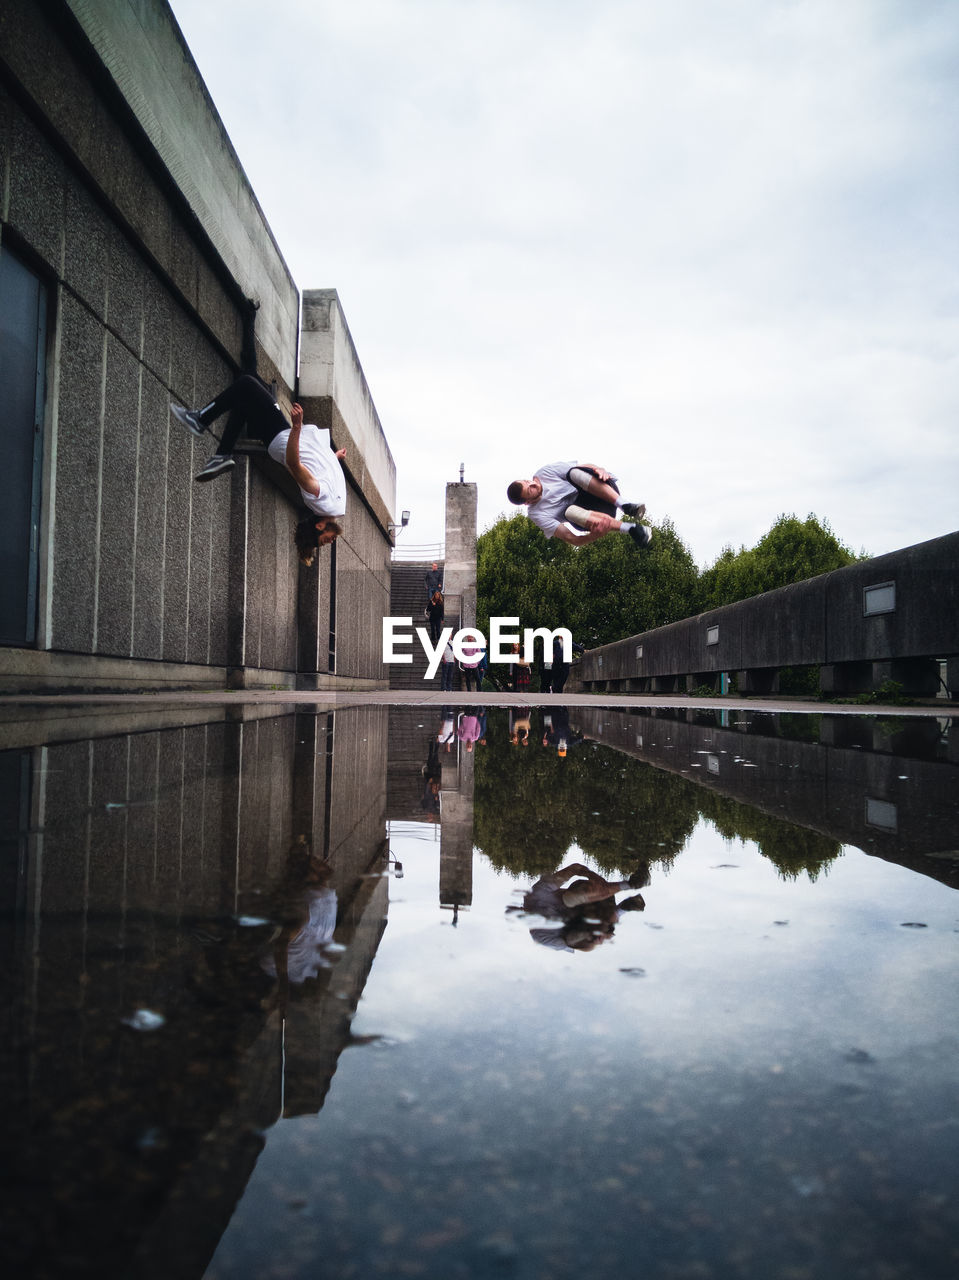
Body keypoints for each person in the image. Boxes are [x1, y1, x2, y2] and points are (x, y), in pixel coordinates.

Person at [171, 374, 346, 565]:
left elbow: (294, 465)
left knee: (247, 382)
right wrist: (334, 458)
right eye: (326, 541)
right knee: (243, 402)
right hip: (283, 436)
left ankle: (200, 420)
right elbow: (321, 470)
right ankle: (222, 455)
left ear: (320, 525)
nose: (330, 541)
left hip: (280, 436)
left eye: (324, 540)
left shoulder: (319, 498)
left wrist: (296, 427)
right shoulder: (336, 506)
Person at [507, 862, 649, 953]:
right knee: (572, 938)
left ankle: (632, 884)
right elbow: (576, 945)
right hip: (593, 920)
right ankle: (626, 907)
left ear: (523, 907)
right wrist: (597, 937)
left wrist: (596, 878)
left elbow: (574, 868)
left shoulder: (536, 894)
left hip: (595, 896)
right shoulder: (541, 936)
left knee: (569, 899)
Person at [507, 461, 652, 549]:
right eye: (530, 490)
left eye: (527, 481)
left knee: (573, 472)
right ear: (527, 502)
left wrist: (599, 468)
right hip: (594, 515)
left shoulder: (545, 473)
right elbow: (572, 539)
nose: (533, 483)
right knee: (570, 512)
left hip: (602, 489)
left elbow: (583, 467)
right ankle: (633, 529)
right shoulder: (537, 514)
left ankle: (625, 505)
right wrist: (594, 535)